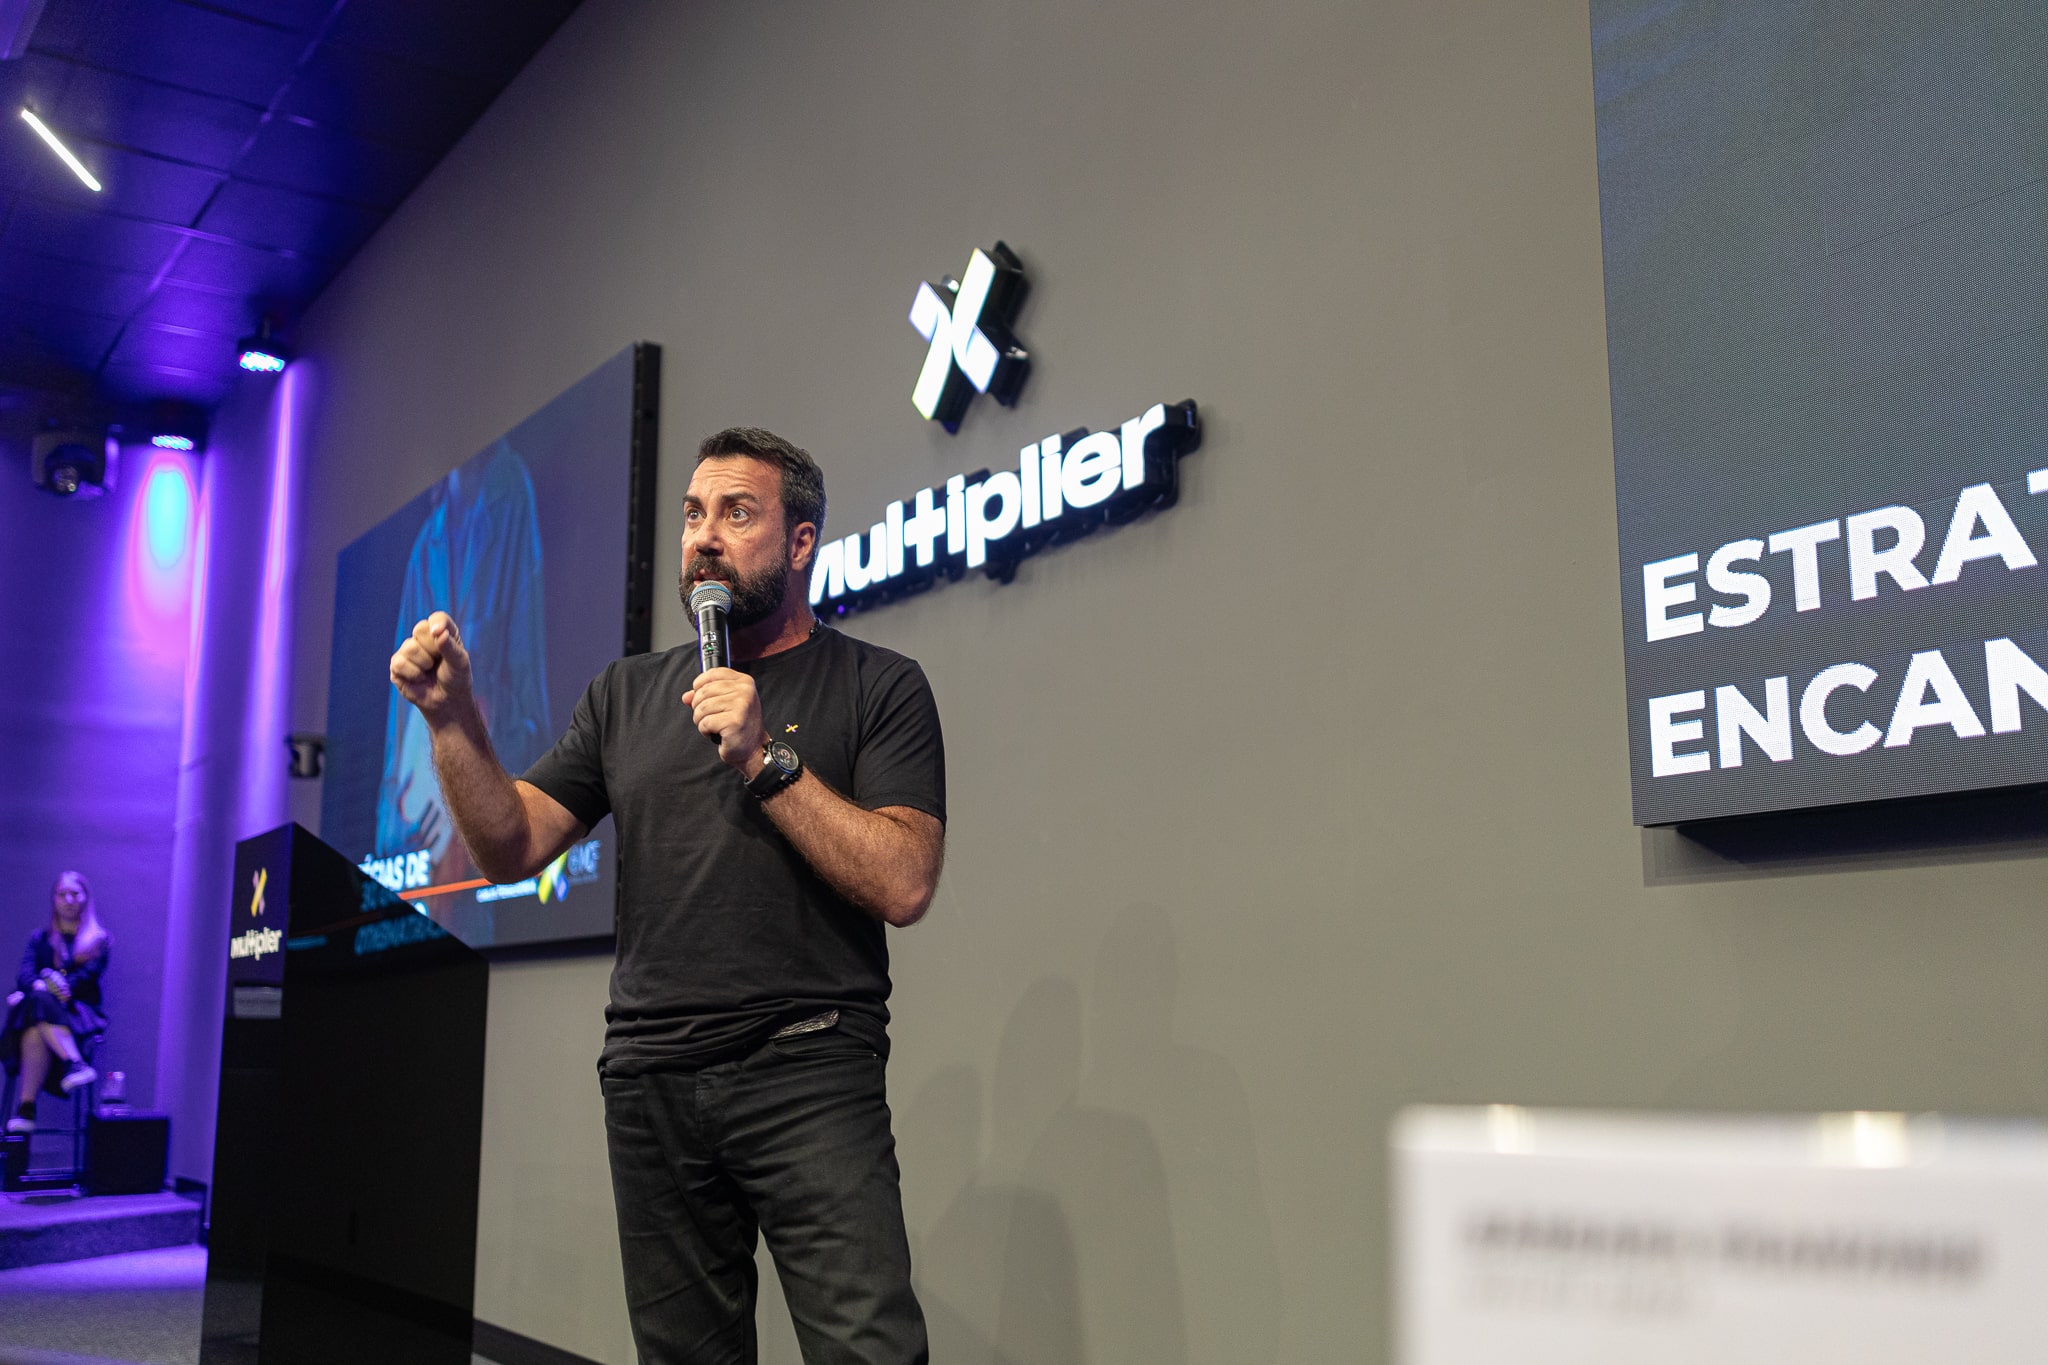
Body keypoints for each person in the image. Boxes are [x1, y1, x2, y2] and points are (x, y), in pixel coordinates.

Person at [389, 427, 945, 1364]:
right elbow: (512, 843)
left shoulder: (878, 684)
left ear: (800, 541)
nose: (703, 537)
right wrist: (452, 723)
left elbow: (905, 879)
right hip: (652, 1080)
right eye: (692, 515)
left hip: (808, 1066)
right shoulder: (626, 694)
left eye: (736, 512)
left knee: (870, 1350)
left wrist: (764, 759)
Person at [5, 871, 108, 1135]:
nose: (69, 900)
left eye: (75, 893)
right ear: (54, 899)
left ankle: (26, 1107)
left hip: (78, 1016)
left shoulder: (98, 941)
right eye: (62, 894)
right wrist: (43, 985)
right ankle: (74, 1064)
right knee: (36, 1013)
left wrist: (59, 987)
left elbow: (85, 978)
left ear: (85, 897)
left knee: (35, 1012)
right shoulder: (39, 939)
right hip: (41, 1011)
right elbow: (25, 975)